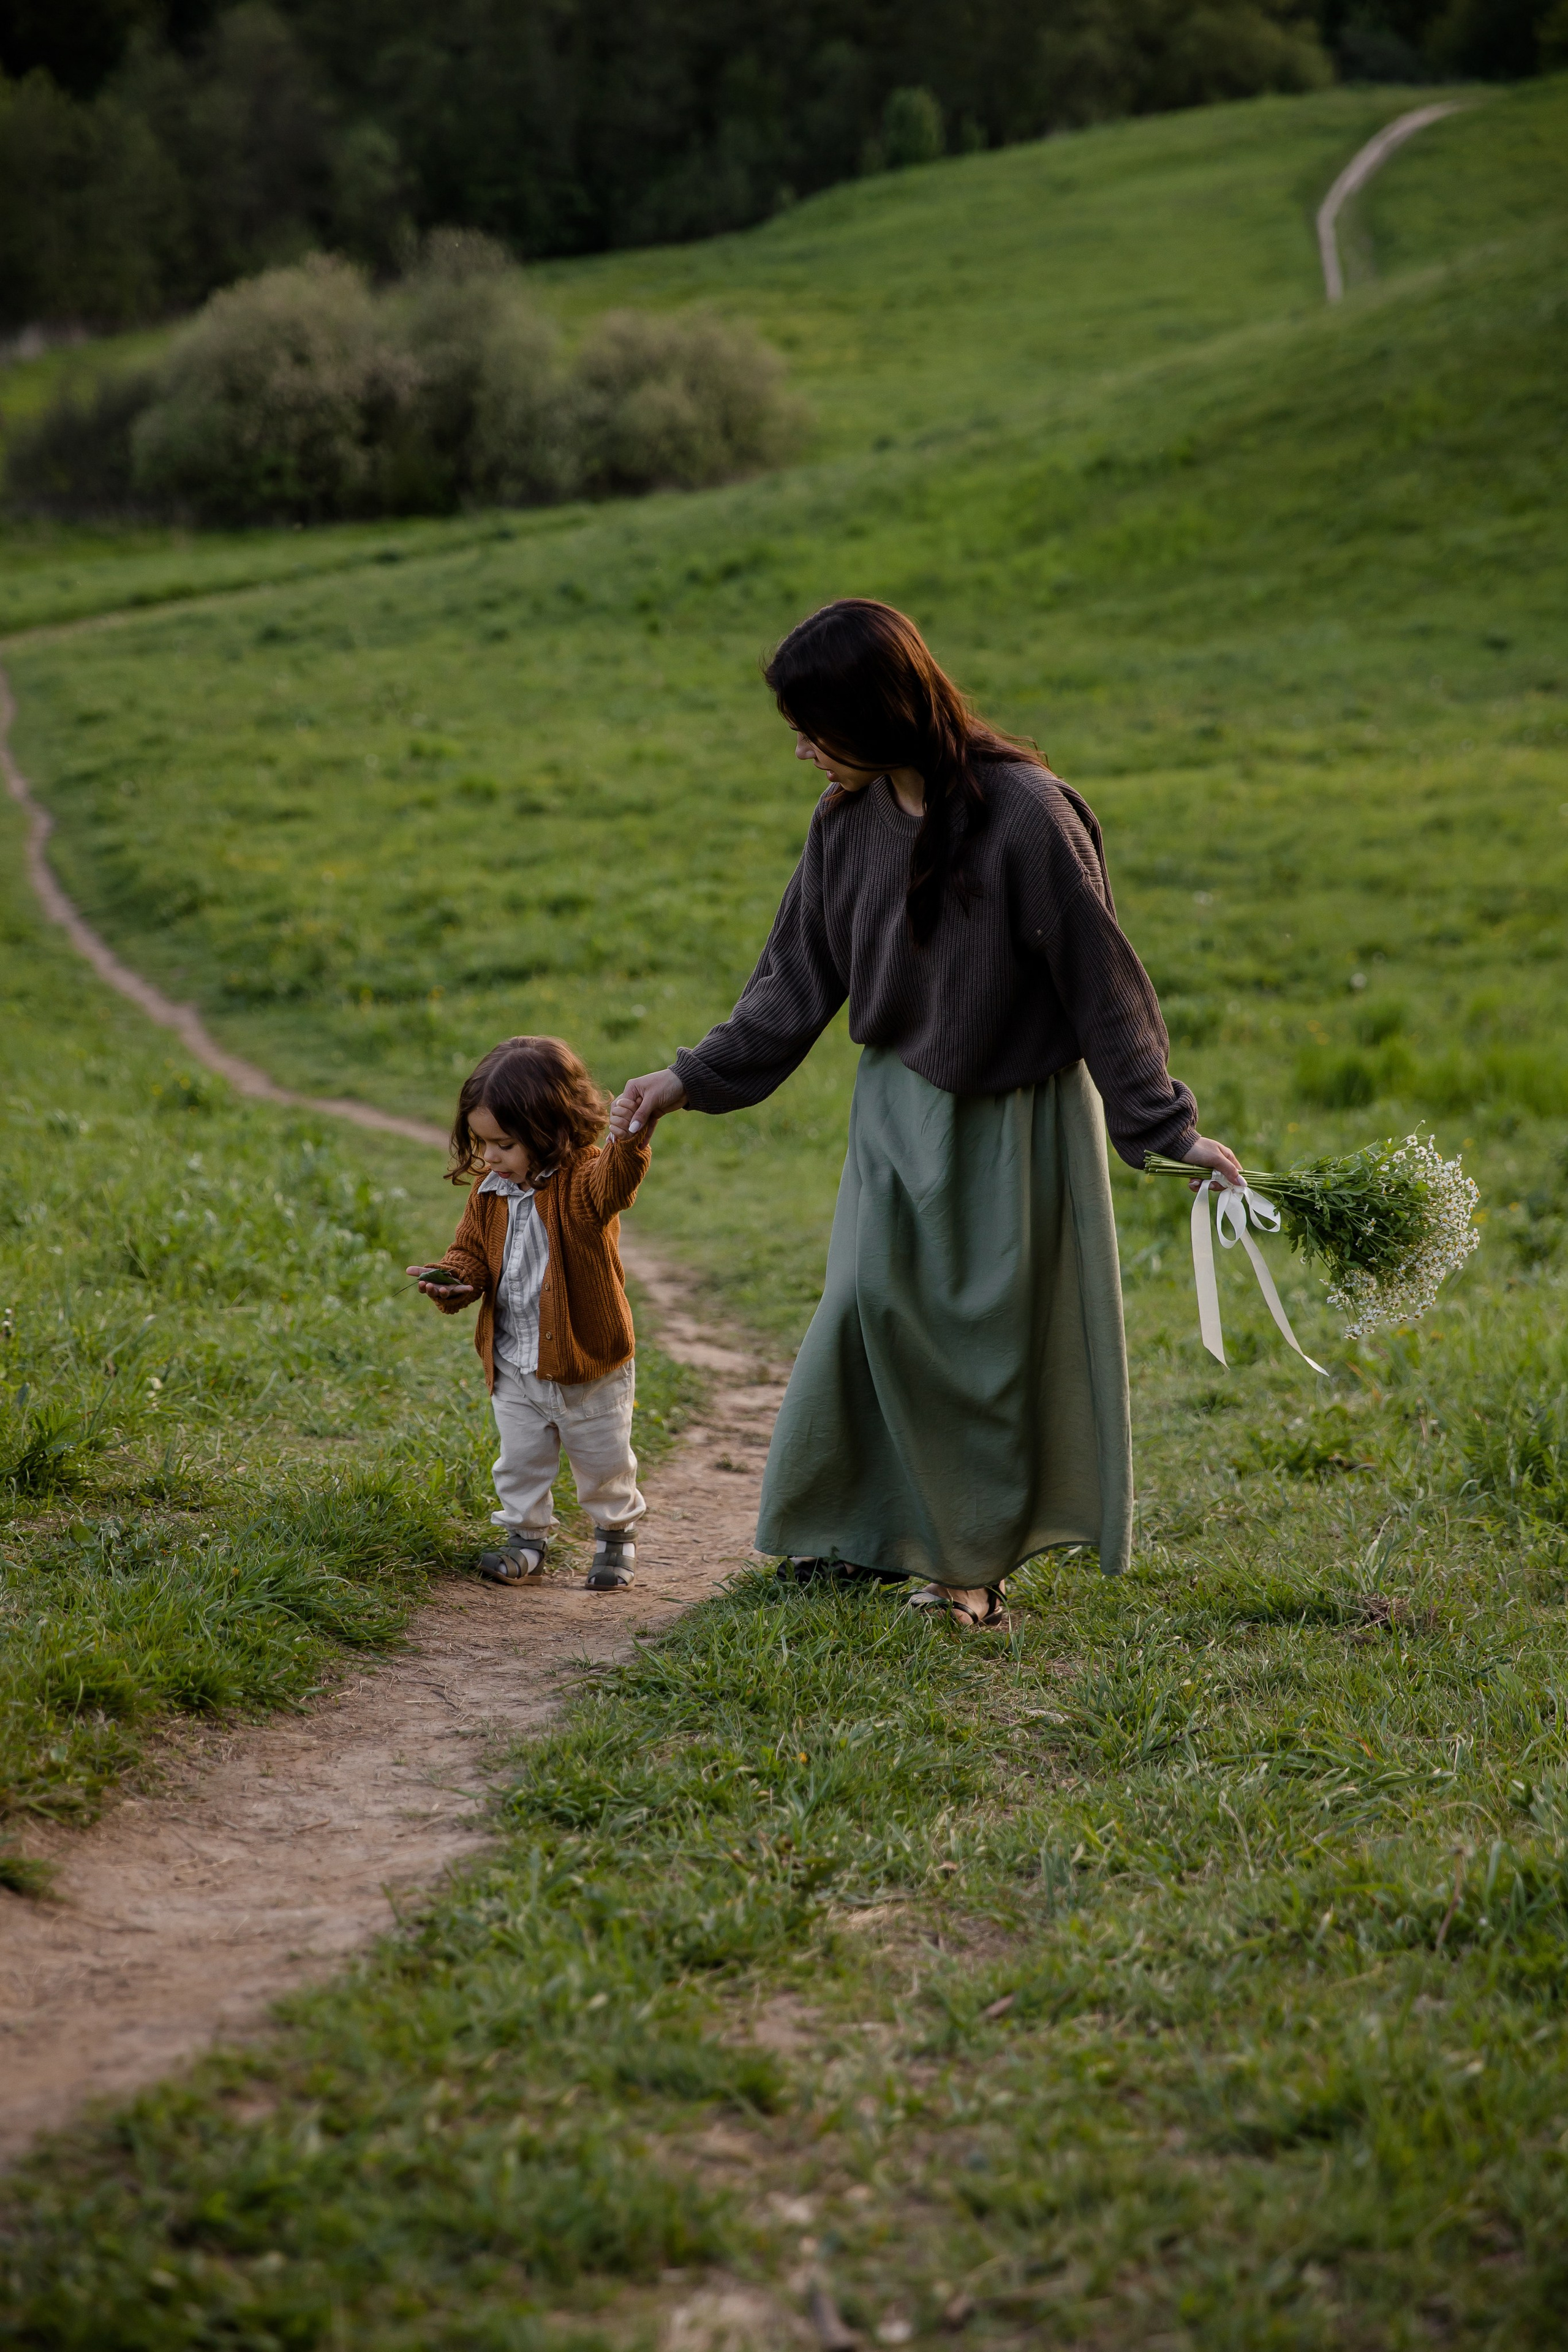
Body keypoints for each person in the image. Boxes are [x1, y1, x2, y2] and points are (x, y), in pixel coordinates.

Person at [610, 598, 1240, 1626]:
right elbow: (790, 985)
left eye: (817, 730)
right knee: (864, 1310)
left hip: (1016, 1123)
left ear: (880, 712)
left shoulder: (1030, 817)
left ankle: (969, 1577)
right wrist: (685, 1079)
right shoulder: (843, 827)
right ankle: (850, 1541)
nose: (805, 754)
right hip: (895, 1113)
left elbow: (1105, 987)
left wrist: (1165, 1129)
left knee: (982, 1360)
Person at [411, 1035, 652, 1591]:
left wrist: (630, 1135)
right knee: (519, 1461)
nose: (490, 1157)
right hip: (514, 1361)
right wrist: (455, 1281)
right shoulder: (489, 1191)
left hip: (588, 1362)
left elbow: (619, 1178)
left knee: (603, 1461)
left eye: (503, 1144)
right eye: (482, 1142)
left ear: (553, 1132)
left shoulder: (585, 1181)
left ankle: (615, 1536)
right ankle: (526, 1539)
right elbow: (469, 1251)